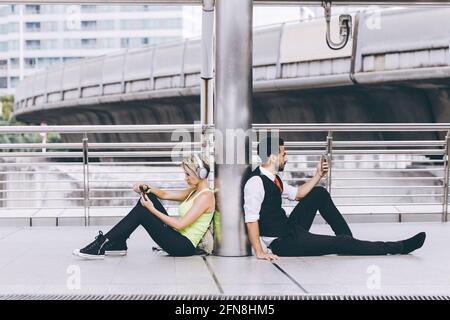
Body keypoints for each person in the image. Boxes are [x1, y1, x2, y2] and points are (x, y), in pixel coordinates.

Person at [243, 137, 426, 261]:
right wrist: (260, 252)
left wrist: (317, 175)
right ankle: (399, 247)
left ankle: (348, 242)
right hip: (282, 242)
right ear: (272, 156)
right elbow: (251, 220)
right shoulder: (256, 182)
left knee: (319, 193)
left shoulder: (273, 178)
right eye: (283, 154)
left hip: (289, 228)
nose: (286, 158)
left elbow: (298, 194)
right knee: (341, 243)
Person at [73, 154, 215, 259]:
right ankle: (117, 243)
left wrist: (152, 209)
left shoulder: (205, 196)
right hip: (177, 238)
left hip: (183, 246)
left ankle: (103, 244)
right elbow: (164, 194)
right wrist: (147, 188)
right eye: (185, 174)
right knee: (149, 197)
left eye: (188, 174)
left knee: (144, 210)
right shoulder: (194, 191)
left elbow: (180, 224)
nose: (186, 178)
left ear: (201, 173)